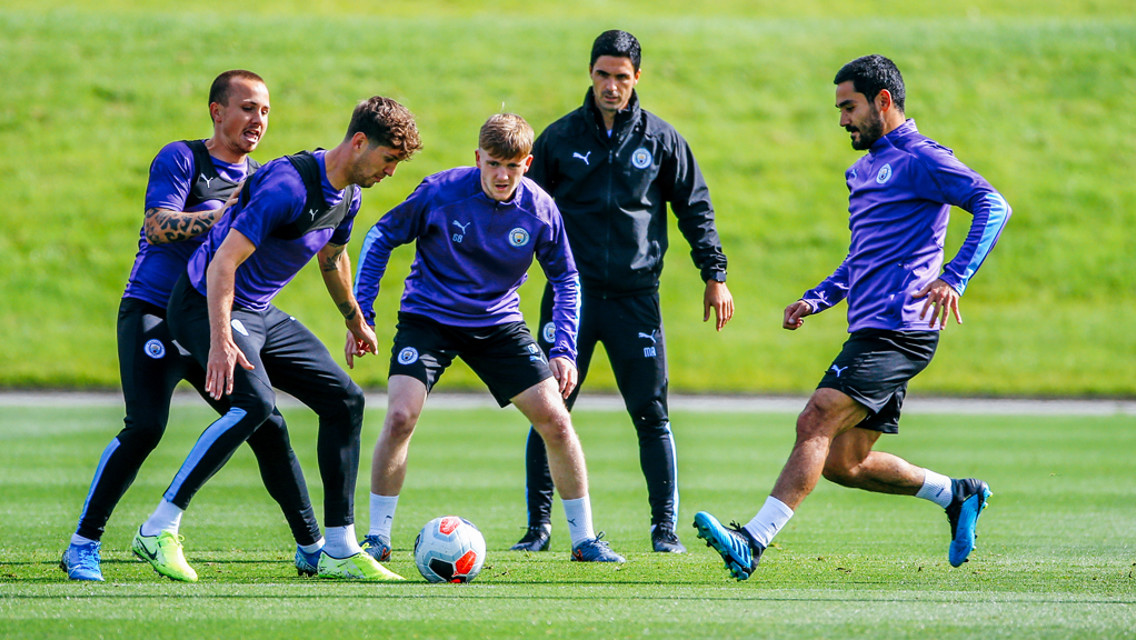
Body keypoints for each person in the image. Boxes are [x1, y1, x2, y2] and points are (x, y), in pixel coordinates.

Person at [693, 54, 1012, 580]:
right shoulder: (862, 169)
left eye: (849, 107)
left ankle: (752, 540)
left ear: (883, 101)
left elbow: (992, 205)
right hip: (870, 326)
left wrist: (955, 276)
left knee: (815, 417)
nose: (842, 119)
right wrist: (819, 297)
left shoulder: (923, 158)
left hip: (902, 327)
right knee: (846, 462)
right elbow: (864, 253)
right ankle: (956, 495)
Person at [131, 96, 422, 583]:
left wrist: (354, 319)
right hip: (203, 302)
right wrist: (221, 340)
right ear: (357, 142)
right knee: (253, 405)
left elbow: (332, 257)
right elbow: (224, 261)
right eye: (388, 158)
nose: (391, 172)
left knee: (345, 402)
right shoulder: (287, 185)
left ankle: (338, 548)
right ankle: (158, 528)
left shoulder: (350, 194)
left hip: (257, 311)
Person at [60, 70, 323, 582]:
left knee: (265, 421)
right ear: (216, 111)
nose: (258, 120)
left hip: (211, 316)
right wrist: (222, 217)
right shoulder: (182, 158)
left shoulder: (265, 177)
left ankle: (314, 546)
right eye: (247, 107)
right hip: (154, 310)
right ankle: (82, 545)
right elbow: (158, 225)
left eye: (265, 110)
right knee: (146, 428)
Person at [352, 113, 624, 564]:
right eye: (494, 163)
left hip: (498, 324)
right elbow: (381, 235)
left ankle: (584, 539)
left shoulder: (539, 209)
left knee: (556, 420)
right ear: (477, 158)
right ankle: (378, 537)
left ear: (527, 164)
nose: (502, 175)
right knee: (400, 416)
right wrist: (362, 314)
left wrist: (564, 350)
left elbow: (567, 278)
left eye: (513, 166)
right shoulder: (440, 192)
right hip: (429, 318)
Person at [511, 30, 733, 555]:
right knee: (551, 408)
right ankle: (538, 529)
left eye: (622, 77)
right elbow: (524, 208)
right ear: (590, 73)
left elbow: (694, 208)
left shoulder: (661, 140)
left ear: (638, 78)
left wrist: (715, 274)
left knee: (650, 412)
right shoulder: (559, 139)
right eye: (603, 75)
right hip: (572, 298)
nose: (612, 86)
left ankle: (664, 530)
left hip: (636, 298)